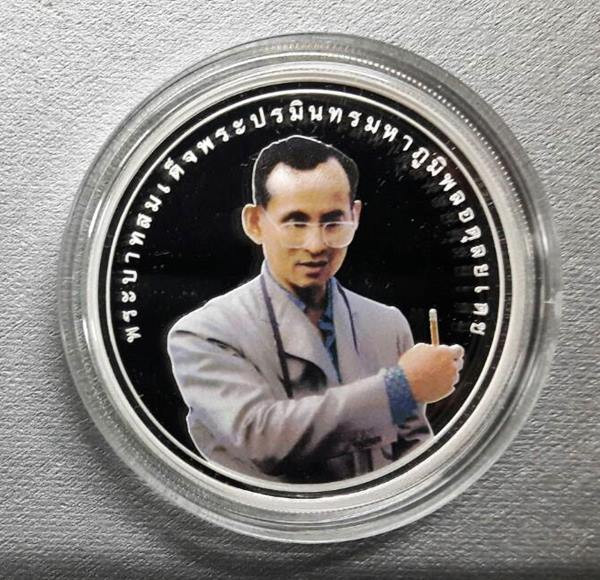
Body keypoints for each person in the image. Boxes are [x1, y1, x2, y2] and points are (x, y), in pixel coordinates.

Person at [167, 135, 464, 484]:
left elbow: (413, 452)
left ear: (355, 217)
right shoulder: (203, 334)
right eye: (295, 223)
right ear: (255, 223)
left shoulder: (386, 323)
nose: (316, 245)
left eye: (333, 222)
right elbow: (261, 440)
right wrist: (401, 388)